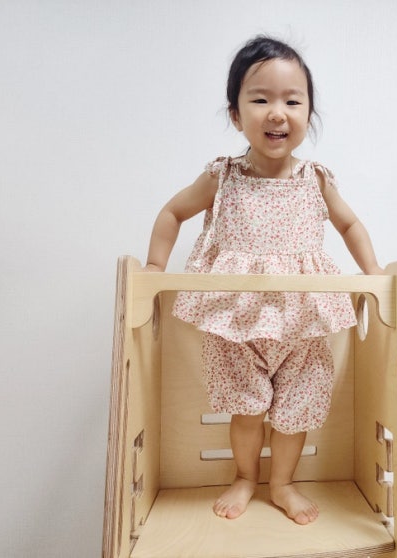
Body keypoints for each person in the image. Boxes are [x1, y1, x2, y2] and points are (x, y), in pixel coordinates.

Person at [143, 35, 382, 525]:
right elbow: (172, 212)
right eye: (260, 99)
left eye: (292, 101)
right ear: (236, 115)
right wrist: (153, 267)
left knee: (296, 409)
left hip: (303, 321)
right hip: (236, 322)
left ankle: (283, 483)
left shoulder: (316, 180)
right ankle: (245, 477)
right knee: (246, 409)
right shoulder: (223, 177)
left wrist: (375, 272)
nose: (277, 113)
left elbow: (350, 225)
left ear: (309, 113)